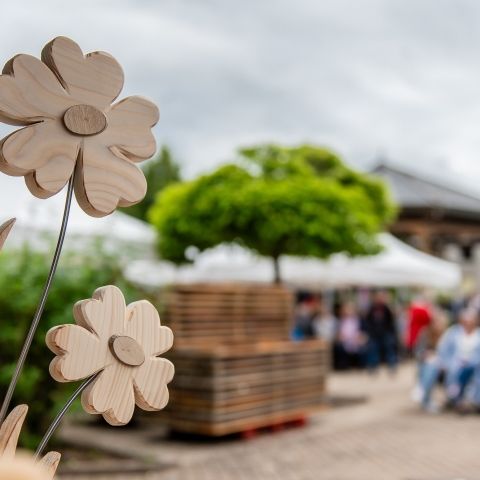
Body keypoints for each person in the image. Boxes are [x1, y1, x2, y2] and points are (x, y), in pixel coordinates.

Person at [419, 308, 480, 412]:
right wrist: (450, 363)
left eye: (471, 319)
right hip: (453, 366)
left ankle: (473, 401)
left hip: (474, 365)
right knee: (433, 366)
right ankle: (453, 399)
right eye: (466, 319)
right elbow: (443, 352)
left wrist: (470, 362)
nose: (468, 322)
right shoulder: (453, 333)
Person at [363, 290, 398, 372]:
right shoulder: (372, 308)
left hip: (386, 333)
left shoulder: (386, 308)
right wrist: (369, 331)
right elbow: (367, 320)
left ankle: (392, 366)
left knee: (389, 350)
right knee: (373, 350)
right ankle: (373, 367)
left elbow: (392, 320)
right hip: (374, 334)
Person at [334, 302, 367, 369]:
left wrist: (360, 337)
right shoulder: (340, 321)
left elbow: (364, 333)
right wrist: (340, 337)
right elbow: (337, 334)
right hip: (345, 341)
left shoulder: (359, 320)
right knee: (339, 347)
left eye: (349, 310)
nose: (348, 312)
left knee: (363, 345)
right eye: (346, 310)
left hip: (356, 340)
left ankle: (360, 364)